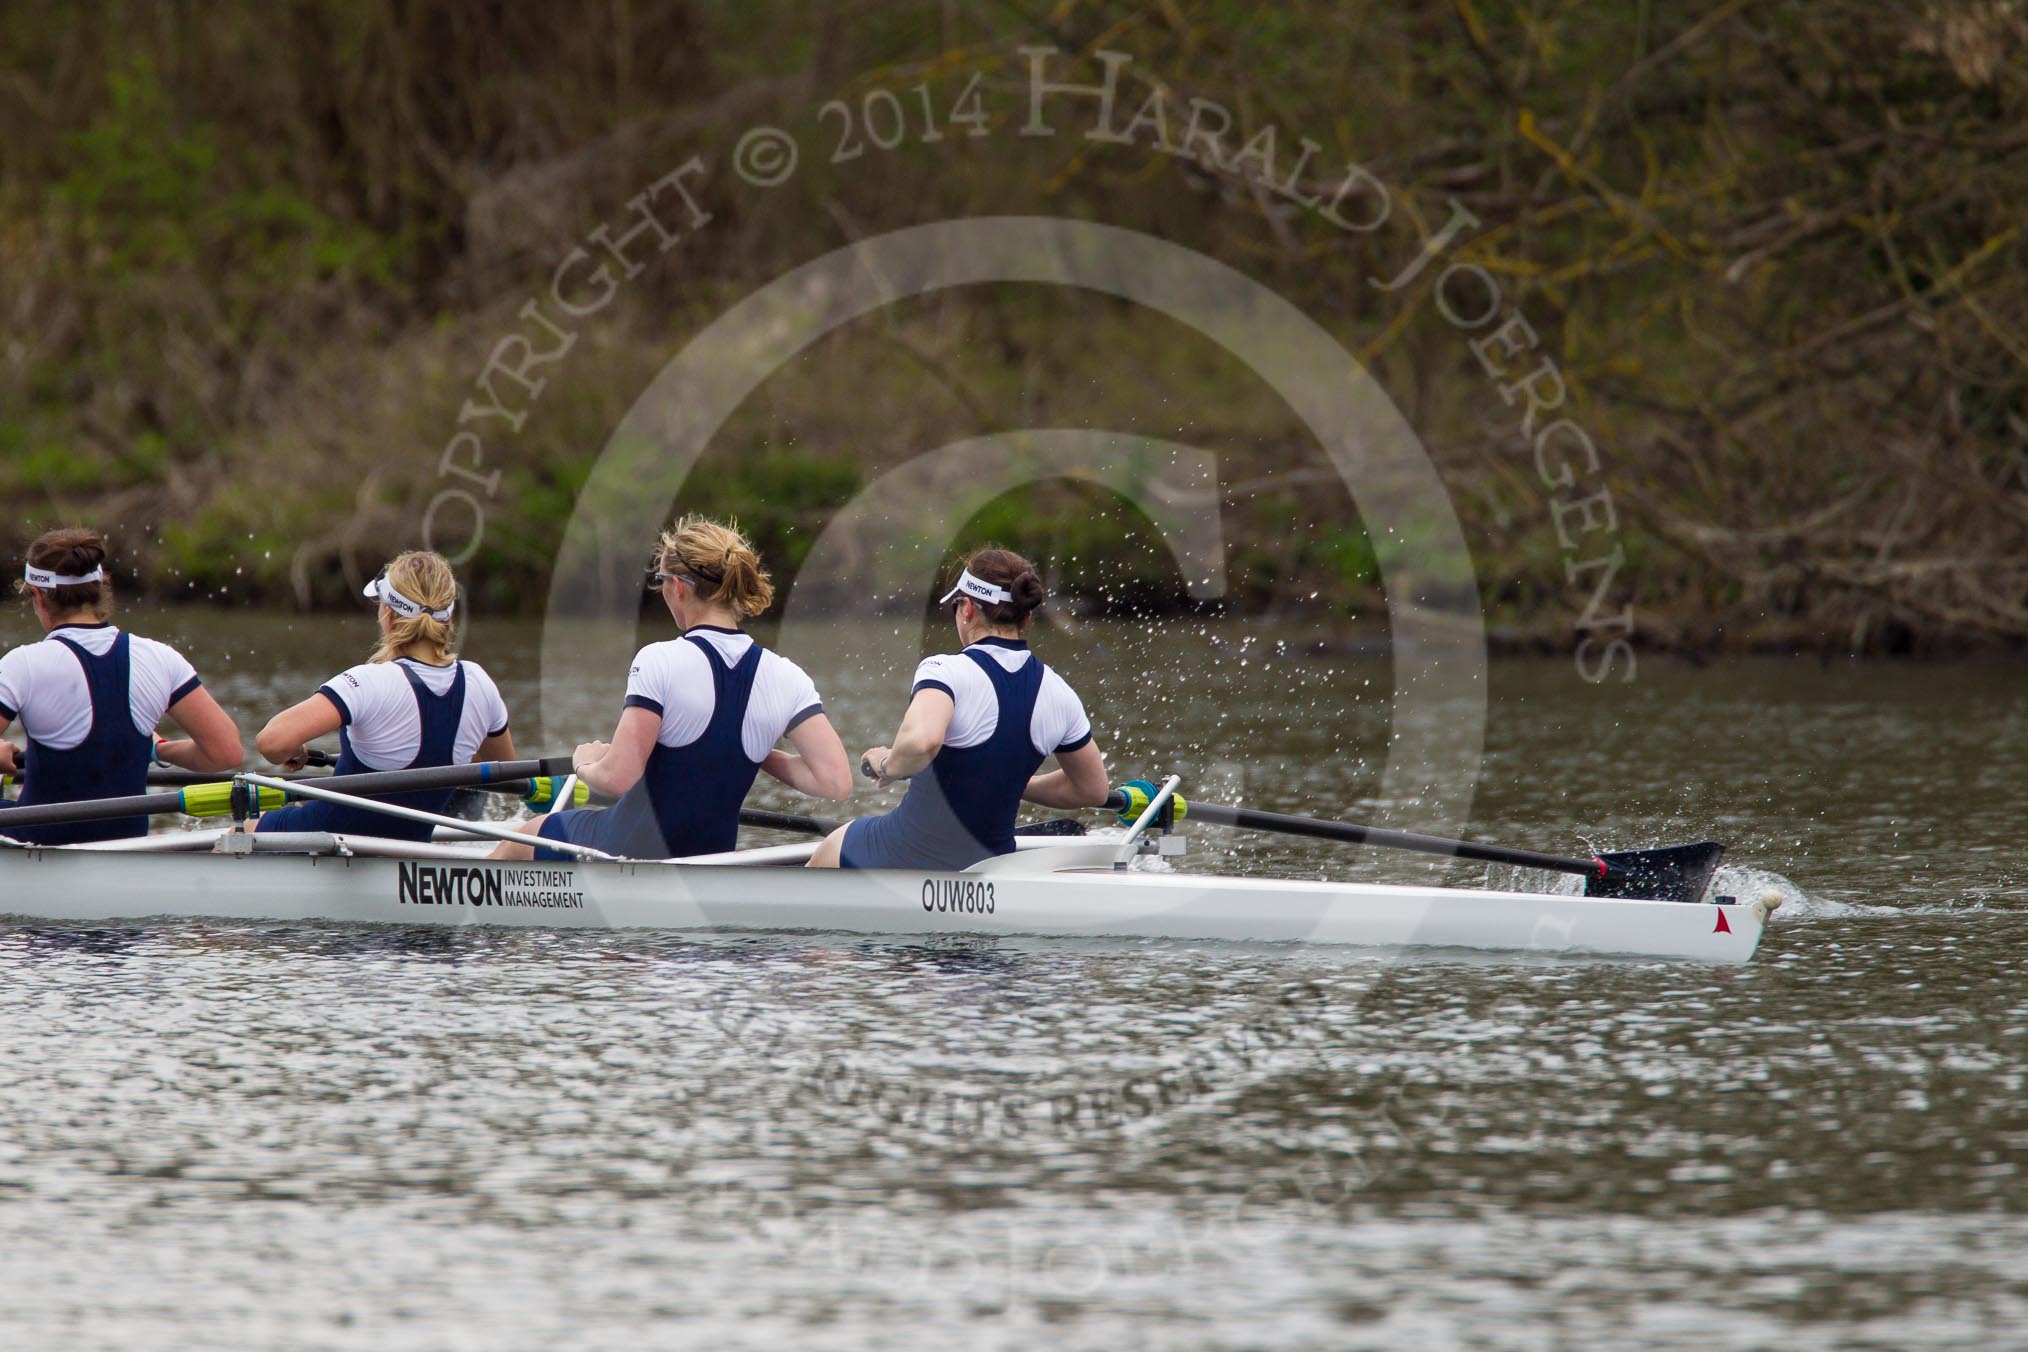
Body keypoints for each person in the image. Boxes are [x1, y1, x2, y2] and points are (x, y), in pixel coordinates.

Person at [490, 516, 850, 862]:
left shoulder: (659, 660)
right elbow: (834, 782)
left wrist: (583, 765)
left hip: (624, 848)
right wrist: (752, 748)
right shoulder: (788, 677)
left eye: (661, 580)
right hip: (713, 856)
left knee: (516, 841)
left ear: (678, 587)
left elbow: (618, 778)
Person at [808, 548, 1110, 871]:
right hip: (992, 869)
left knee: (834, 843)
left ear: (966, 609)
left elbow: (921, 743)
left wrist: (886, 764)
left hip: (905, 856)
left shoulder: (944, 671)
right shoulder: (1059, 693)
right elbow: (1092, 789)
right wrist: (1010, 783)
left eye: (956, 605)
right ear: (1026, 617)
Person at [0, 527, 243, 844]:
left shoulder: (23, 664)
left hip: (43, 841)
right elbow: (226, 754)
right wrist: (158, 749)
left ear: (37, 595)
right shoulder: (161, 657)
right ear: (100, 587)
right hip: (126, 843)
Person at [252, 550, 513, 840]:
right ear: (448, 616)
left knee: (246, 825)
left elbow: (271, 743)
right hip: (409, 848)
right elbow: (506, 775)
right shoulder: (479, 684)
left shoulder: (369, 681)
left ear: (387, 613)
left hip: (330, 841)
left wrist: (296, 749)